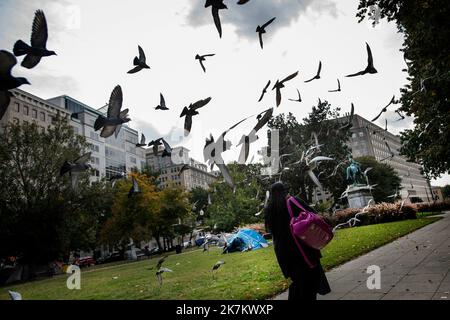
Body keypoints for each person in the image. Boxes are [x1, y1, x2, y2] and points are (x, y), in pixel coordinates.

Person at [264, 181, 331, 300]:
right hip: (302, 249)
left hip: (284, 253)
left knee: (298, 282)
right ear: (285, 190)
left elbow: (271, 231)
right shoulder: (292, 201)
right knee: (310, 283)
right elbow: (313, 215)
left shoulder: (269, 210)